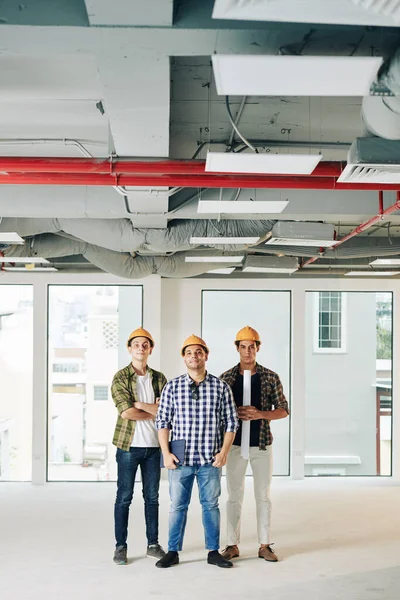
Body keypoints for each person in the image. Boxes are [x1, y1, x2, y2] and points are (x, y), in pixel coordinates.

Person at [155, 334, 239, 569]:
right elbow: (162, 422)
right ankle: (173, 551)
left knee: (210, 505)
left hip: (209, 460)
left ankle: (213, 551)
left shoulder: (220, 387)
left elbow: (231, 423)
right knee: (177, 506)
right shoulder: (172, 386)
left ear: (206, 355)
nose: (194, 356)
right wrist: (166, 453)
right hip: (180, 460)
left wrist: (223, 453)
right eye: (189, 352)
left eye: (199, 352)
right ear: (184, 357)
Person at [220, 326, 289, 563]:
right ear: (237, 348)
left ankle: (264, 545)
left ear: (258, 348)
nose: (247, 351)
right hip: (235, 445)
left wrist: (260, 414)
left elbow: (283, 410)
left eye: (252, 346)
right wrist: (233, 413)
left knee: (263, 495)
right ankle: (232, 544)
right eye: (243, 346)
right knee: (234, 495)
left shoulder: (270, 377)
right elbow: (217, 412)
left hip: (261, 445)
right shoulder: (226, 378)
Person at [111, 327, 167, 565]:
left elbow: (167, 412)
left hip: (154, 448)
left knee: (152, 497)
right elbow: (126, 412)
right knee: (124, 497)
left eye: (145, 345)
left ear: (151, 349)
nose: (141, 348)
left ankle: (153, 544)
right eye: (137, 344)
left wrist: (139, 404)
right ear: (129, 348)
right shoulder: (120, 377)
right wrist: (150, 408)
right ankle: (120, 547)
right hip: (128, 447)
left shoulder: (160, 378)